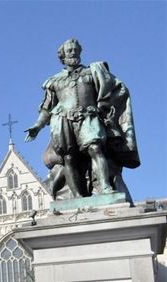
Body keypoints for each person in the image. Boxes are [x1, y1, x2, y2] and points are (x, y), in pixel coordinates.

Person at [25, 39, 139, 199]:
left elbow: (117, 89)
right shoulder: (54, 81)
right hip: (63, 120)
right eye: (70, 50)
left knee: (95, 149)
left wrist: (107, 106)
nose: (73, 53)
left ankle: (105, 187)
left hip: (88, 116)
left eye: (76, 50)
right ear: (62, 56)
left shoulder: (93, 73)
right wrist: (37, 126)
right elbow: (47, 108)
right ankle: (77, 195)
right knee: (69, 158)